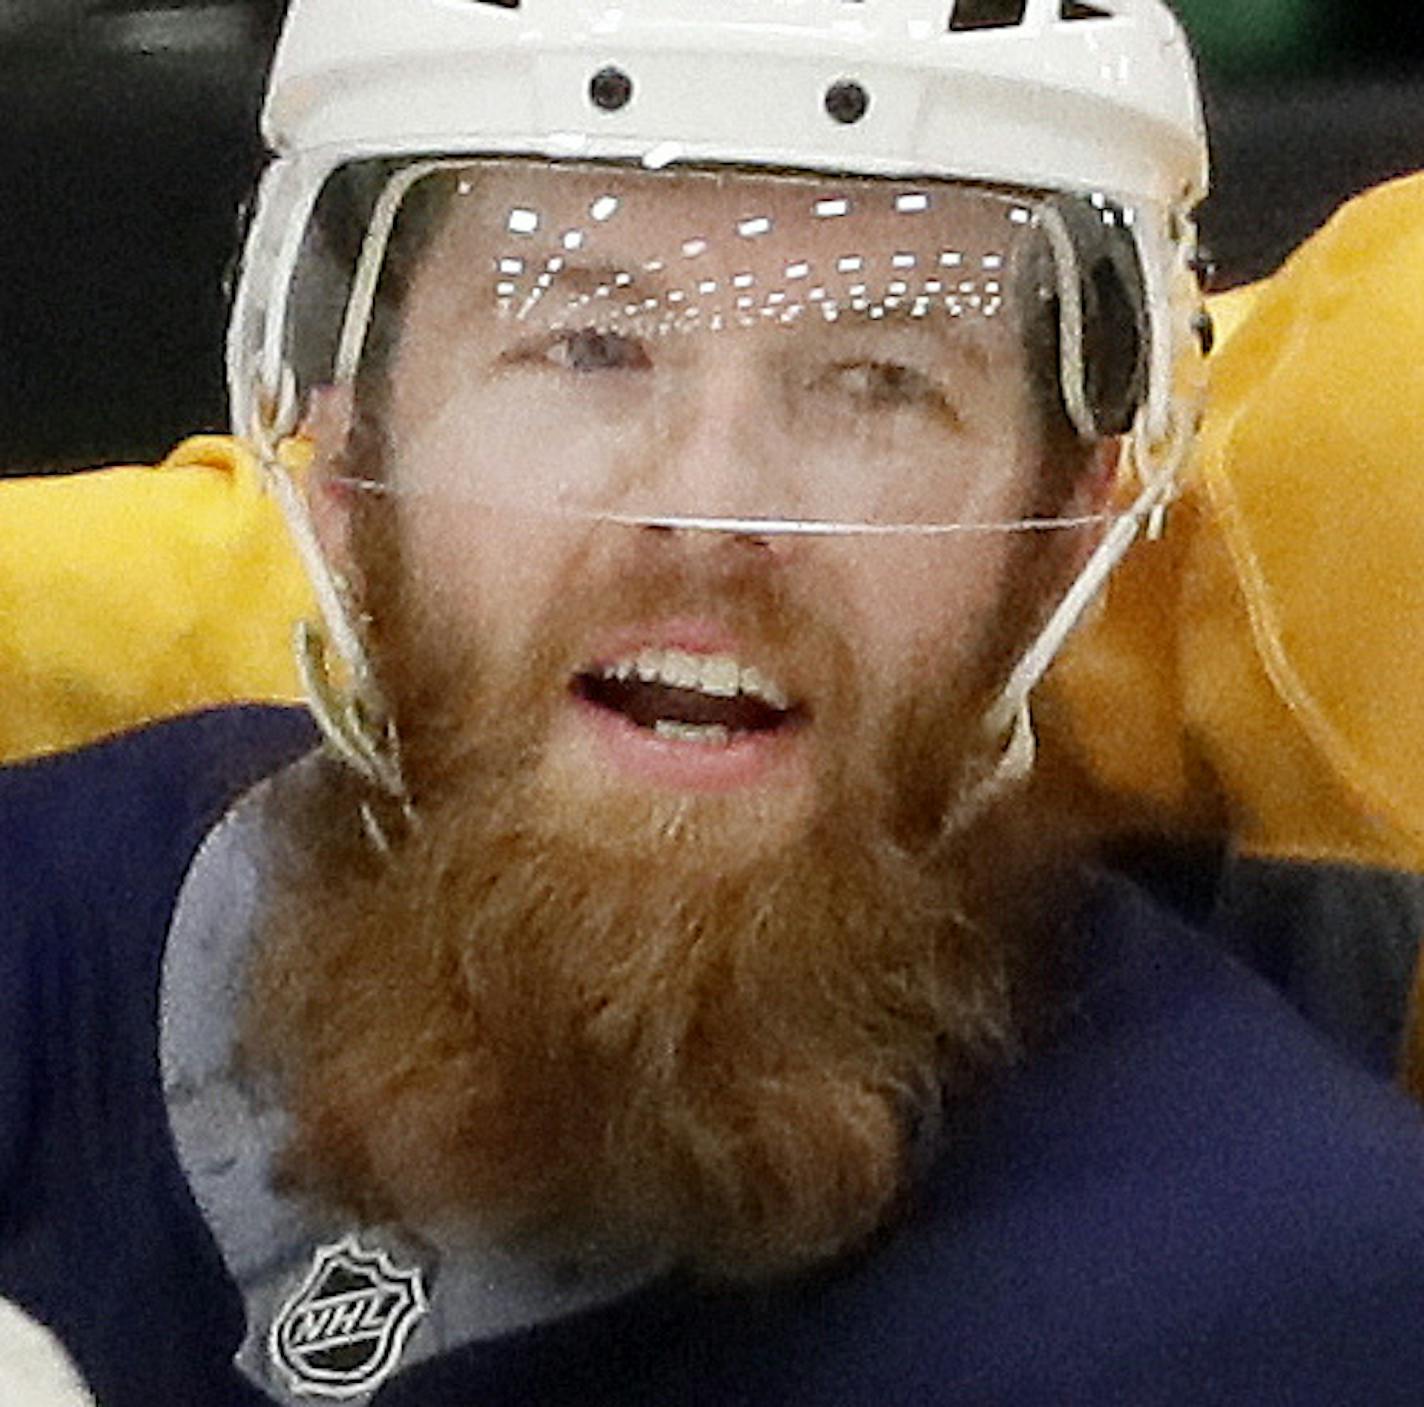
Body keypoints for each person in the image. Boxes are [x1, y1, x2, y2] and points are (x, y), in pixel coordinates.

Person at [5, 2, 1424, 1403]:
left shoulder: (1278, 1294)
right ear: (334, 439)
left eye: (878, 382)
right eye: (589, 346)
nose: (709, 510)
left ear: (1060, 528)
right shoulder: (43, 925)